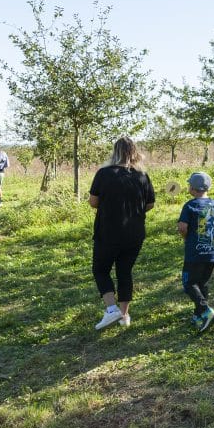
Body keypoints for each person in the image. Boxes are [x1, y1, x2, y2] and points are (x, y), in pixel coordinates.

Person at [88, 136, 155, 330]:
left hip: (108, 231)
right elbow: (149, 204)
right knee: (125, 271)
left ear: (115, 152)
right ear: (135, 152)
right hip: (134, 233)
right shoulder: (142, 175)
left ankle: (111, 310)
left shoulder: (104, 173)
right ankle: (124, 316)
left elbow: (93, 202)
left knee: (101, 269)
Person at [178, 171, 214, 334]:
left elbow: (183, 227)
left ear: (192, 188)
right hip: (213, 252)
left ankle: (206, 310)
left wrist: (185, 237)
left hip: (195, 253)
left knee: (189, 283)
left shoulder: (190, 205)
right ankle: (198, 315)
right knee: (202, 282)